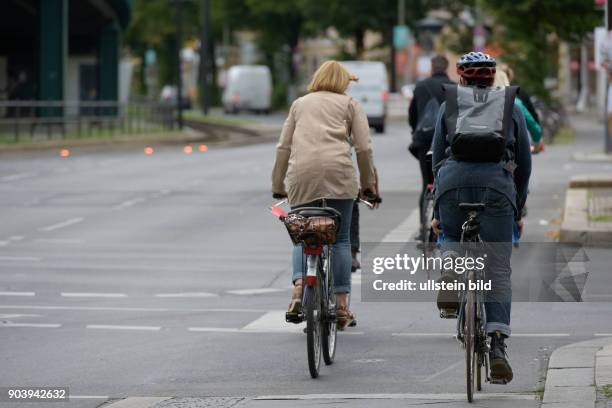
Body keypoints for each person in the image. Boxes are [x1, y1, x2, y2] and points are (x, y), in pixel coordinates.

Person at [431, 52, 532, 383]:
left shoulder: (450, 106)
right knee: (498, 268)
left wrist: (437, 208)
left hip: (453, 183)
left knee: (450, 235)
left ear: (461, 78)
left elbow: (435, 161)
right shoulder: (510, 108)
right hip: (496, 186)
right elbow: (524, 165)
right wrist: (517, 205)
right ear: (493, 78)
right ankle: (498, 345)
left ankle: (450, 264)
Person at [271, 60, 379, 329]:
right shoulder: (350, 105)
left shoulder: (299, 104)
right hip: (339, 176)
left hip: (302, 177)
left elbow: (283, 147)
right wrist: (369, 185)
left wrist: (278, 184)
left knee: (302, 238)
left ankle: (298, 290)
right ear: (342, 82)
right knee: (341, 240)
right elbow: (364, 148)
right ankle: (342, 306)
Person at [408, 54, 454, 236]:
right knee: (446, 181)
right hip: (446, 140)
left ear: (432, 68)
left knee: (426, 182)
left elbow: (412, 114)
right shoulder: (454, 88)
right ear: (447, 68)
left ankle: (422, 227)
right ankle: (445, 222)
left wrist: (415, 131)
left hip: (424, 139)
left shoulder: (420, 87)